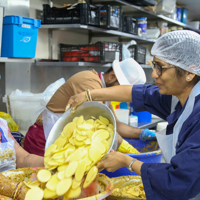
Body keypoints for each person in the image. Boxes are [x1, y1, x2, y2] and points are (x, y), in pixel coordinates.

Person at [66, 30, 200, 200]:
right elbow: (139, 93)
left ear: (190, 72)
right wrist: (90, 95)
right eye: (154, 65)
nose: (154, 74)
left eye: (161, 67)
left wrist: (126, 161)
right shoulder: (179, 98)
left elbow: (177, 181)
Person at [23, 58, 156, 156]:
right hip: (43, 142)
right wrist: (132, 155)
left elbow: (116, 125)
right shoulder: (89, 83)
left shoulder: (103, 91)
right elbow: (101, 128)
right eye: (121, 89)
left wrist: (141, 133)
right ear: (112, 77)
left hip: (62, 145)